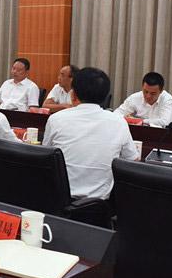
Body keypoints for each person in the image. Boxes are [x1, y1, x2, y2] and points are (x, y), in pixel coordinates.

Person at [42, 67, 138, 199]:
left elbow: (46, 156)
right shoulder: (119, 122)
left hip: (57, 199)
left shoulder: (56, 119)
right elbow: (133, 160)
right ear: (105, 96)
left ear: (73, 94)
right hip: (99, 204)